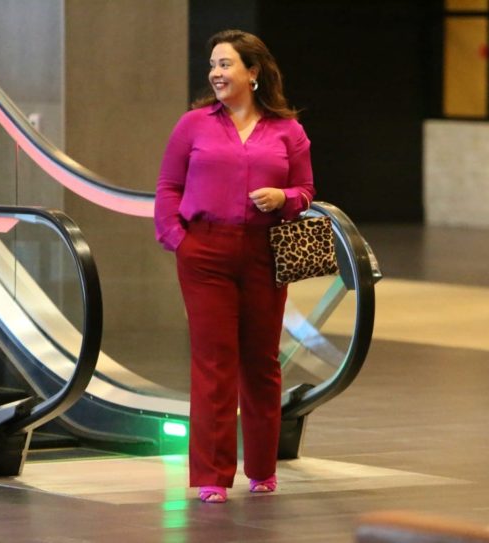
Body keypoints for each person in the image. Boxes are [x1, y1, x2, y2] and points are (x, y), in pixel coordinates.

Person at [154, 29, 315, 503]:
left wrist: (283, 197)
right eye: (213, 65)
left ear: (253, 72)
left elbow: (305, 191)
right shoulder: (193, 124)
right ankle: (211, 476)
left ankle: (263, 469)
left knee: (261, 362)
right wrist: (178, 240)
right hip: (205, 253)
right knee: (213, 362)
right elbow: (167, 187)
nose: (216, 73)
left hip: (265, 253)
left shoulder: (289, 130)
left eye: (226, 64)